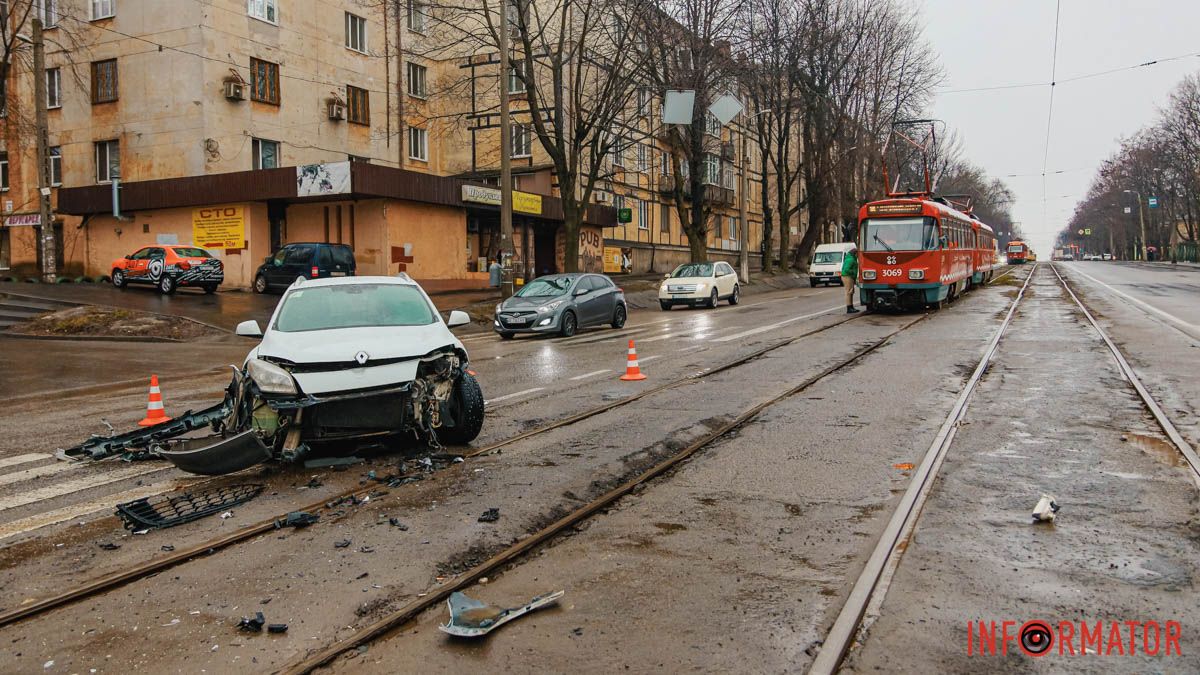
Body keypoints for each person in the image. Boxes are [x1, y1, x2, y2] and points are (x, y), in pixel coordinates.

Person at [841, 245, 860, 313]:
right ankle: (849, 308)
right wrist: (853, 273)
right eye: (858, 254)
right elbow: (846, 270)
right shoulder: (851, 260)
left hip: (849, 276)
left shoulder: (851, 258)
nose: (858, 255)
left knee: (851, 291)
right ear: (855, 253)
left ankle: (851, 306)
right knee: (849, 292)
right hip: (847, 276)